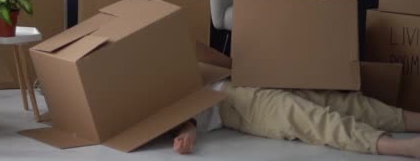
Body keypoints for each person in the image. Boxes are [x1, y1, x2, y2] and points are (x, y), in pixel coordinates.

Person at [172, 80, 420, 158]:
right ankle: (400, 147)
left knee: (340, 101)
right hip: (225, 102)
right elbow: (169, 109)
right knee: (305, 117)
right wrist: (188, 127)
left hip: (238, 74)